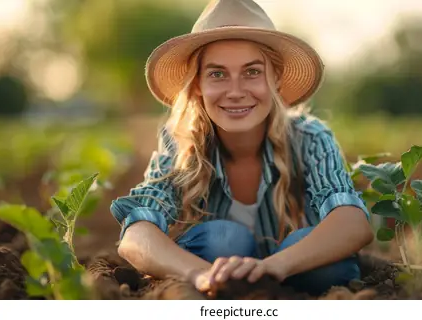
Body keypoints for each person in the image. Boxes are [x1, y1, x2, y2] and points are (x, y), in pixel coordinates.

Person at [111, 0, 373, 297]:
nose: (235, 92)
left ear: (275, 77)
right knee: (224, 240)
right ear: (197, 84)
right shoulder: (180, 142)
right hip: (213, 273)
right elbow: (136, 235)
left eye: (252, 72)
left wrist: (274, 266)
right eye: (217, 74)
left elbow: (353, 222)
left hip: (294, 267)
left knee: (328, 266)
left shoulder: (309, 136)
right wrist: (199, 274)